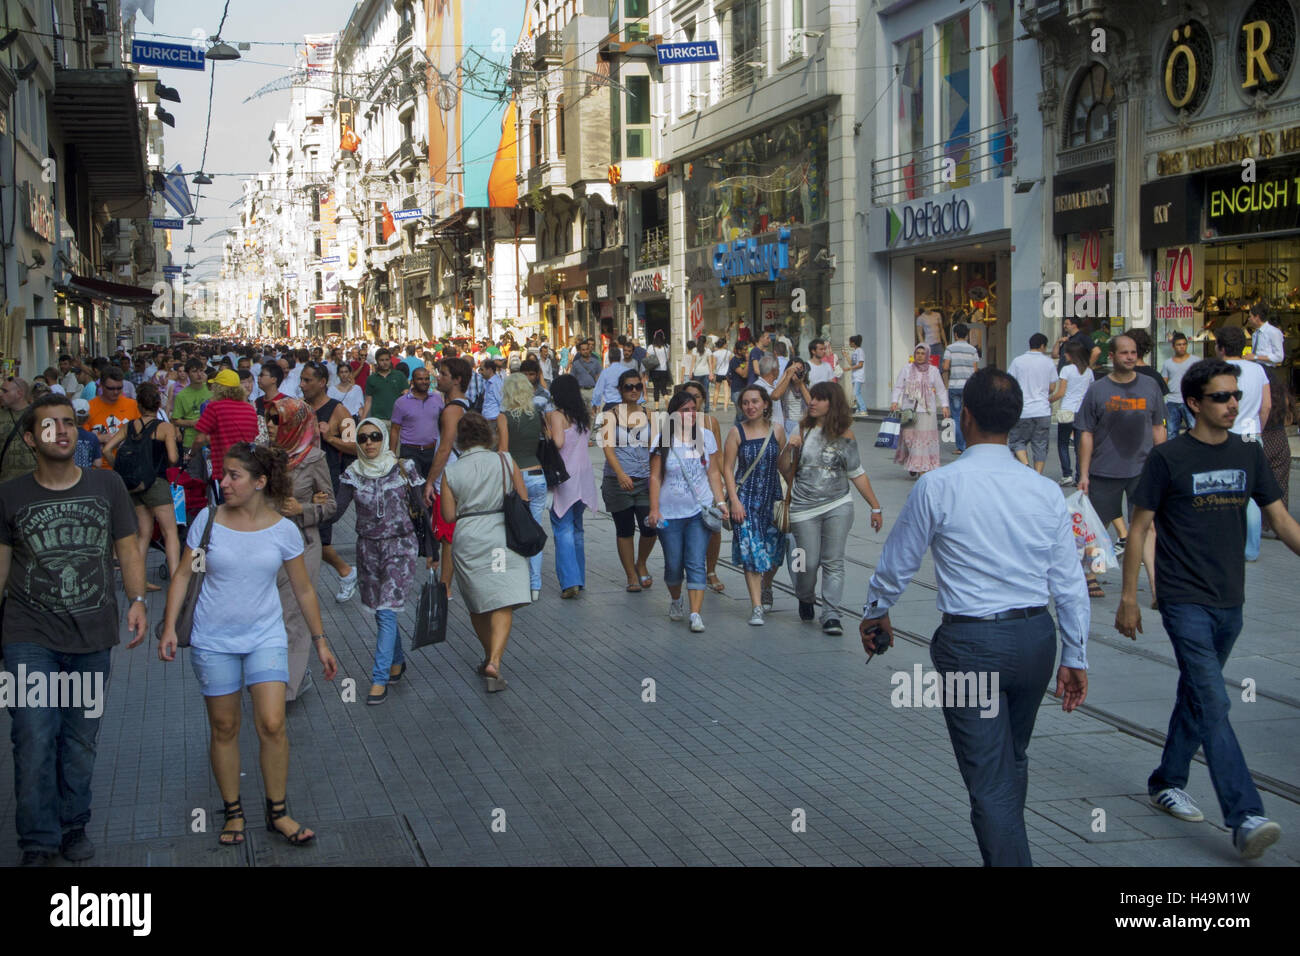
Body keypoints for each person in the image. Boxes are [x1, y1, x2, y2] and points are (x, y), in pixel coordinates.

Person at [862, 367, 1090, 866]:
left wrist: (876, 611)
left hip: (971, 648)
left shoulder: (939, 486)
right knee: (1012, 759)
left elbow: (898, 563)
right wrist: (1076, 653)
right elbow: (1070, 583)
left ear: (964, 417)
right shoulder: (1045, 490)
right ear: (1014, 421)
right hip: (1036, 640)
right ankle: (1007, 843)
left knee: (988, 777)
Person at [1117, 358, 1300, 859]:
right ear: (1194, 403)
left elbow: (1280, 520)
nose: (1232, 404)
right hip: (1183, 599)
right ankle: (1245, 815)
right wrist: (1129, 596)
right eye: (1221, 397)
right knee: (1215, 701)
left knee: (1198, 696)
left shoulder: (1248, 454)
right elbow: (1138, 529)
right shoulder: (1169, 457)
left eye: (1235, 395)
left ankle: (1167, 780)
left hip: (1230, 601)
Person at [159, 443, 337, 847]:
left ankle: (278, 812)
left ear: (260, 482)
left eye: (233, 476)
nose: (224, 483)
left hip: (265, 637)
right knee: (224, 726)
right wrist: (169, 627)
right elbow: (185, 576)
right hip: (213, 639)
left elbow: (304, 590)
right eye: (224, 474)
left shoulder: (283, 530)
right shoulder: (209, 519)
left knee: (273, 723)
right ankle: (233, 812)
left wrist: (320, 642)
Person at [0, 393, 148, 865]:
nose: (62, 431)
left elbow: (128, 548)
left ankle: (72, 824)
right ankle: (38, 840)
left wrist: (139, 600)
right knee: (33, 734)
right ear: (30, 437)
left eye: (68, 422)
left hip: (92, 635)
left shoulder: (107, 486)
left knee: (79, 740)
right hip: (27, 636)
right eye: (49, 425)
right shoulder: (10, 495)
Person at [334, 416, 424, 704]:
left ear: (384, 437)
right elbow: (336, 511)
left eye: (374, 436)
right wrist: (306, 509)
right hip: (368, 548)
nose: (369, 442)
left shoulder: (404, 468)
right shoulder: (352, 473)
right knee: (380, 610)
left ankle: (379, 678)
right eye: (363, 438)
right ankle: (396, 661)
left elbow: (422, 508)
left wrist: (435, 552)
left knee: (387, 610)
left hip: (401, 546)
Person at [780, 383, 883, 633]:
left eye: (819, 399)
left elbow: (856, 472)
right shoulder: (802, 429)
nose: (812, 402)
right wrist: (789, 447)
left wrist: (875, 507)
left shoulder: (845, 435)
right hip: (804, 507)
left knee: (833, 561)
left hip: (838, 504)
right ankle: (805, 596)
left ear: (832, 403)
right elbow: (784, 469)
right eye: (812, 397)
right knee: (807, 563)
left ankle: (831, 614)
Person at [441, 411, 532, 692]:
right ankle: (494, 660)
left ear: (460, 439)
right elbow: (524, 497)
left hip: (469, 537)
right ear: (488, 435)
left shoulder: (451, 471)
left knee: (478, 602)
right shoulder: (504, 460)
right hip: (500, 532)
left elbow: (448, 515)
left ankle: (488, 657)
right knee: (502, 599)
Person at [1076, 334, 1166, 600]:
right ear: (1111, 357)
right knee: (1096, 527)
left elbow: (1159, 428)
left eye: (1133, 352)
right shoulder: (1098, 390)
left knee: (1148, 527)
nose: (1130, 357)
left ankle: (1154, 586)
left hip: (1143, 470)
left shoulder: (1150, 386)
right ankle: (1091, 574)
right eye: (1124, 353)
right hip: (1104, 470)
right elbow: (1086, 433)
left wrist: (1164, 468)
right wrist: (1083, 474)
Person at [265, 398, 336, 701]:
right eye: (268, 419)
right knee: (271, 613)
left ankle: (289, 687)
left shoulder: (314, 458)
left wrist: (302, 508)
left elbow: (330, 504)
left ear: (292, 425)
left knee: (294, 615)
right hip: (266, 545)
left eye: (275, 420)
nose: (268, 425)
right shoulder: (262, 457)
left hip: (302, 545)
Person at [648, 390, 726, 633]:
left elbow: (713, 472)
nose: (691, 414)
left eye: (693, 409)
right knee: (673, 565)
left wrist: (721, 502)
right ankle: (675, 599)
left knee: (695, 561)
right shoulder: (663, 440)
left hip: (698, 512)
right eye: (685, 410)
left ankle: (695, 614)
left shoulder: (705, 437)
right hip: (669, 513)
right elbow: (655, 476)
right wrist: (654, 509)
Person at [101, 382, 180, 591]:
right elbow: (172, 457)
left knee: (143, 533)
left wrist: (120, 466)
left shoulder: (129, 426)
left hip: (134, 486)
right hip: (157, 482)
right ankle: (175, 579)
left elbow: (108, 449)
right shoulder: (165, 427)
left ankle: (139, 581)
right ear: (158, 404)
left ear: (139, 405)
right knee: (169, 531)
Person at [723, 384, 787, 623]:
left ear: (766, 404)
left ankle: (767, 585)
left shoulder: (778, 431)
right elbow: (728, 469)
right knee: (751, 551)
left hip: (772, 498)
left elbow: (784, 466)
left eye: (755, 401)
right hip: (746, 500)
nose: (750, 406)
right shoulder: (736, 433)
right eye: (746, 403)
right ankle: (757, 606)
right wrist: (734, 501)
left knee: (773, 552)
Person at [1215, 326, 1271, 562]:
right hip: (1251, 433)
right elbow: (1266, 406)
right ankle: (1252, 549)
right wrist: (1258, 429)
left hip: (1225, 434)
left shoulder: (1219, 371)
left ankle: (1227, 544)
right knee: (1251, 493)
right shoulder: (1258, 370)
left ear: (1222, 347)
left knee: (1223, 490)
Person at [601, 368, 658, 591]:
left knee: (650, 526)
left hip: (645, 480)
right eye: (628, 387)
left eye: (637, 386)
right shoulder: (610, 416)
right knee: (624, 529)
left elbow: (656, 448)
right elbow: (608, 450)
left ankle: (641, 563)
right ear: (620, 390)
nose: (634, 390)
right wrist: (621, 474)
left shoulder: (650, 414)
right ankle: (631, 575)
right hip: (618, 480)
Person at [498, 372, 549, 602]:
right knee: (534, 529)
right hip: (538, 475)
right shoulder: (537, 415)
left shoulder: (504, 416)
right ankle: (535, 585)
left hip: (516, 477)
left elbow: (504, 452)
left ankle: (510, 581)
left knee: (510, 530)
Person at [546, 374, 598, 598]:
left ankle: (570, 581)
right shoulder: (584, 414)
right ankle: (580, 578)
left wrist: (546, 433)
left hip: (565, 476)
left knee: (562, 528)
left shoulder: (558, 415)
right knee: (577, 529)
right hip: (584, 475)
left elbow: (558, 443)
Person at [423, 356, 472, 590]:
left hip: (449, 478)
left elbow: (445, 447)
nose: (437, 377)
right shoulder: (466, 405)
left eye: (443, 374)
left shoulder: (452, 410)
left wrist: (430, 481)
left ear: (457, 380)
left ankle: (445, 587)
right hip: (461, 475)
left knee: (447, 537)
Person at [192, 370, 259, 491]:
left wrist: (191, 453)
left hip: (224, 469)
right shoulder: (250, 409)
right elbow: (253, 437)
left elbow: (199, 438)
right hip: (246, 468)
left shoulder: (214, 407)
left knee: (227, 506)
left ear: (219, 388)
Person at [890, 344, 949, 477]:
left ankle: (920, 467)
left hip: (927, 410)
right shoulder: (906, 369)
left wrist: (945, 405)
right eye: (918, 353)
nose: (920, 356)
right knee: (908, 438)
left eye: (923, 353)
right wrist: (894, 401)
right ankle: (912, 460)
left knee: (923, 438)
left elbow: (940, 389)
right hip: (908, 409)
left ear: (927, 355)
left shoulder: (933, 371)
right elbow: (899, 386)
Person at [1007, 333, 1058, 474]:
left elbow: (1010, 384)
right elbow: (1053, 387)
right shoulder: (1048, 362)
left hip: (1023, 410)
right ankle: (1037, 475)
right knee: (1040, 445)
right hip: (1042, 410)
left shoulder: (1018, 361)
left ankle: (1025, 465)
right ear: (1042, 346)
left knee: (1017, 441)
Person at [389, 365, 443, 479]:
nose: (424, 382)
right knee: (415, 489)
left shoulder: (437, 398)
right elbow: (394, 429)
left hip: (432, 451)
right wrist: (392, 455)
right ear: (413, 381)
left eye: (426, 379)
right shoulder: (401, 402)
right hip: (410, 452)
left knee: (430, 487)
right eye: (420, 379)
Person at [1055, 341, 1094, 486]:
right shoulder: (1088, 371)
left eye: (1066, 352)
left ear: (1072, 354)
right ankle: (1080, 475)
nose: (1064, 355)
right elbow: (1090, 392)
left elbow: (1061, 392)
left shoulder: (1066, 370)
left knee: (1063, 443)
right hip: (1082, 411)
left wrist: (1049, 399)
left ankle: (1067, 474)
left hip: (1067, 410)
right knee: (1080, 446)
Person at [86, 368, 139, 469]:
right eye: (111, 388)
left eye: (119, 388)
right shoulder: (89, 407)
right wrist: (100, 438)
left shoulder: (133, 405)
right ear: (101, 385)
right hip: (98, 468)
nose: (116, 392)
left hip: (128, 467)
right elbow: (80, 437)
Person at [942, 323, 980, 455]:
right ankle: (970, 443)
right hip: (969, 386)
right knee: (970, 415)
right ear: (967, 334)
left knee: (957, 416)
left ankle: (961, 446)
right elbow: (975, 369)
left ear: (955, 335)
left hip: (955, 386)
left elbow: (946, 367)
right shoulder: (972, 350)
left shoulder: (950, 348)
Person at [360, 347, 409, 432]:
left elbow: (407, 395)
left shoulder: (399, 375)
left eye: (387, 359)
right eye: (381, 360)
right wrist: (362, 420)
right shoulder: (371, 379)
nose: (385, 362)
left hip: (397, 420)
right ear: (377, 361)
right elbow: (368, 401)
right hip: (378, 420)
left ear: (390, 360)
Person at [0, 376, 37, 483]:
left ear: (19, 393)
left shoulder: (38, 414)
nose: (1, 394)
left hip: (33, 481)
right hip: (6, 482)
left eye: (5, 391)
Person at [171, 359, 211, 454]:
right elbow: (175, 420)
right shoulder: (181, 396)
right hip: (191, 441)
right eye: (194, 371)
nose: (199, 374)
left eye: (201, 371)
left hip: (211, 440)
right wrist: (192, 423)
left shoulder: (211, 389)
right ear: (188, 374)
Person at [1162, 331, 1195, 439]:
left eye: (1184, 344)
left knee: (1194, 430)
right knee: (1171, 432)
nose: (1182, 347)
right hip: (1172, 401)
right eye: (1179, 344)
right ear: (1173, 346)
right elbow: (1164, 382)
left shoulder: (1195, 361)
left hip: (1189, 400)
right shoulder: (1167, 363)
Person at [682, 336, 714, 412]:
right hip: (706, 372)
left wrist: (690, 373)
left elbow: (693, 362)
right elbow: (710, 363)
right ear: (705, 342)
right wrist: (711, 373)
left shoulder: (694, 350)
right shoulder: (708, 350)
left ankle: (696, 406)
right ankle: (706, 408)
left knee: (696, 391)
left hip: (697, 373)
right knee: (706, 391)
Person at [1247, 302, 1285, 367]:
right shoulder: (1255, 334)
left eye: (1250, 316)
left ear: (1257, 317)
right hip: (1256, 367)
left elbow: (1279, 357)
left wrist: (1256, 357)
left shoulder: (1273, 332)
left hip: (1268, 369)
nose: (1249, 319)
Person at [570, 338, 602, 410]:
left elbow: (600, 377)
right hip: (581, 392)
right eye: (583, 350)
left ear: (589, 350)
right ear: (580, 351)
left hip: (593, 391)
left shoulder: (596, 362)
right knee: (581, 415)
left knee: (593, 416)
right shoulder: (576, 364)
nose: (585, 351)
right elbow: (572, 379)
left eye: (587, 349)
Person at [72, 398, 101, 469]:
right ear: (87, 418)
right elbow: (98, 463)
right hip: (87, 475)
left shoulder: (66, 434)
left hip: (69, 475)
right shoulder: (92, 437)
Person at [848, 334, 867, 414]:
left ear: (853, 343)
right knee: (856, 392)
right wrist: (846, 356)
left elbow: (860, 364)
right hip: (854, 376)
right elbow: (852, 364)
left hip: (859, 376)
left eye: (850, 342)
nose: (849, 344)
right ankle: (859, 409)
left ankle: (863, 409)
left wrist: (849, 368)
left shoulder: (860, 351)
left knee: (856, 392)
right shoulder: (855, 352)